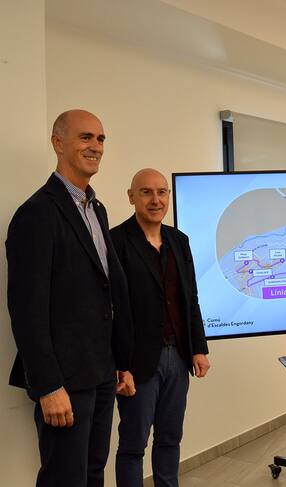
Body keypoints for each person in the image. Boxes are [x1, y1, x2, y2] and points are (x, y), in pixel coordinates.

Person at [6, 109, 135, 487]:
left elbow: (105, 291)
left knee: (93, 472)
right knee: (65, 478)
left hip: (102, 371)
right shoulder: (37, 213)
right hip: (64, 378)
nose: (96, 146)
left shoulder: (97, 209)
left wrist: (121, 363)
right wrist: (48, 385)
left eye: (101, 138)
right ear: (58, 143)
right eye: (85, 137)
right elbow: (26, 310)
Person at [111, 168, 210, 487]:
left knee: (170, 438)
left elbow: (190, 298)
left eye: (162, 192)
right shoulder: (116, 241)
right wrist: (120, 366)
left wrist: (198, 348)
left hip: (178, 357)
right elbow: (111, 310)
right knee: (133, 445)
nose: (156, 200)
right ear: (131, 197)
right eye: (146, 192)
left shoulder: (179, 241)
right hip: (137, 363)